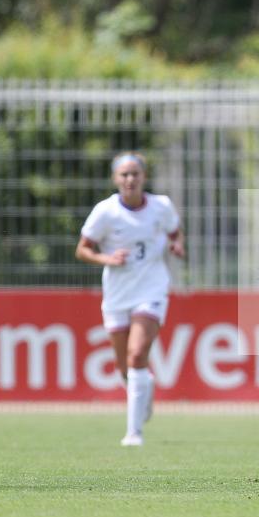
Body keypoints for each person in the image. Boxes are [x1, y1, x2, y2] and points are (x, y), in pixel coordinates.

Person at [75, 152, 185, 446]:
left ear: (143, 177)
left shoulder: (160, 206)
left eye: (135, 173)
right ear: (115, 179)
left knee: (138, 354)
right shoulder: (106, 212)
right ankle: (144, 387)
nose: (130, 179)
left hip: (151, 289)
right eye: (124, 174)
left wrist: (177, 246)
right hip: (117, 295)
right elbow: (83, 249)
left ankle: (133, 432)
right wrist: (106, 258)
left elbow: (175, 233)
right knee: (125, 368)